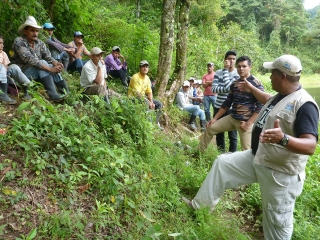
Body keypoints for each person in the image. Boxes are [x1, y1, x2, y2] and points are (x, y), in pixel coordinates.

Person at [182, 54, 319, 240]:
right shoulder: (280, 96)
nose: (269, 76)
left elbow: (310, 145)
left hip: (279, 174)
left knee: (276, 223)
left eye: (272, 73)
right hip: (258, 157)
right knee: (223, 163)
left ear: (283, 77)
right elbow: (265, 98)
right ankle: (200, 206)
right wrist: (250, 87)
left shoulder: (305, 105)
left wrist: (283, 138)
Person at [198, 56, 264, 152]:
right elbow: (227, 103)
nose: (241, 69)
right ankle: (199, 153)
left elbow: (261, 105)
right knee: (210, 128)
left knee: (247, 151)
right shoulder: (235, 83)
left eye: (244, 66)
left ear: (250, 67)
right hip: (233, 117)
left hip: (246, 121)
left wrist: (248, 123)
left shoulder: (255, 82)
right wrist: (215, 119)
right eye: (239, 66)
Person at [11, 16, 68, 101]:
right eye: (32, 30)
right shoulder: (19, 41)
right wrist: (51, 69)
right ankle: (53, 94)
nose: (35, 33)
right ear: (25, 31)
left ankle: (66, 93)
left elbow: (48, 56)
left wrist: (56, 63)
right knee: (43, 63)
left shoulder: (40, 43)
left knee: (48, 64)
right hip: (22, 74)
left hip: (36, 73)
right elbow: (31, 60)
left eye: (37, 31)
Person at [212, 50, 239, 153]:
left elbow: (230, 87)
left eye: (233, 59)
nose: (231, 61)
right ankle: (221, 154)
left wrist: (225, 71)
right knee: (219, 132)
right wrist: (225, 71)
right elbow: (214, 89)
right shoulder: (218, 72)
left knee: (232, 135)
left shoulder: (237, 73)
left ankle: (232, 155)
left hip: (232, 107)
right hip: (218, 106)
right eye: (229, 59)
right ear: (225, 60)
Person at [128, 60, 163, 130]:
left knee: (159, 104)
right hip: (133, 98)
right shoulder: (135, 77)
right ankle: (147, 126)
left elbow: (149, 92)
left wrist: (152, 102)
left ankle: (155, 123)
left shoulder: (147, 78)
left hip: (143, 97)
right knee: (146, 103)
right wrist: (149, 102)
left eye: (146, 67)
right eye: (143, 67)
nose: (145, 68)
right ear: (140, 68)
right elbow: (137, 94)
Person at [0, 34, 31, 104]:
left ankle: (28, 89)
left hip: (4, 78)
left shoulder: (3, 54)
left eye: (2, 43)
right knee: (1, 66)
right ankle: (3, 95)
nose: (2, 45)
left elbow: (7, 68)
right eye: (0, 43)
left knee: (14, 66)